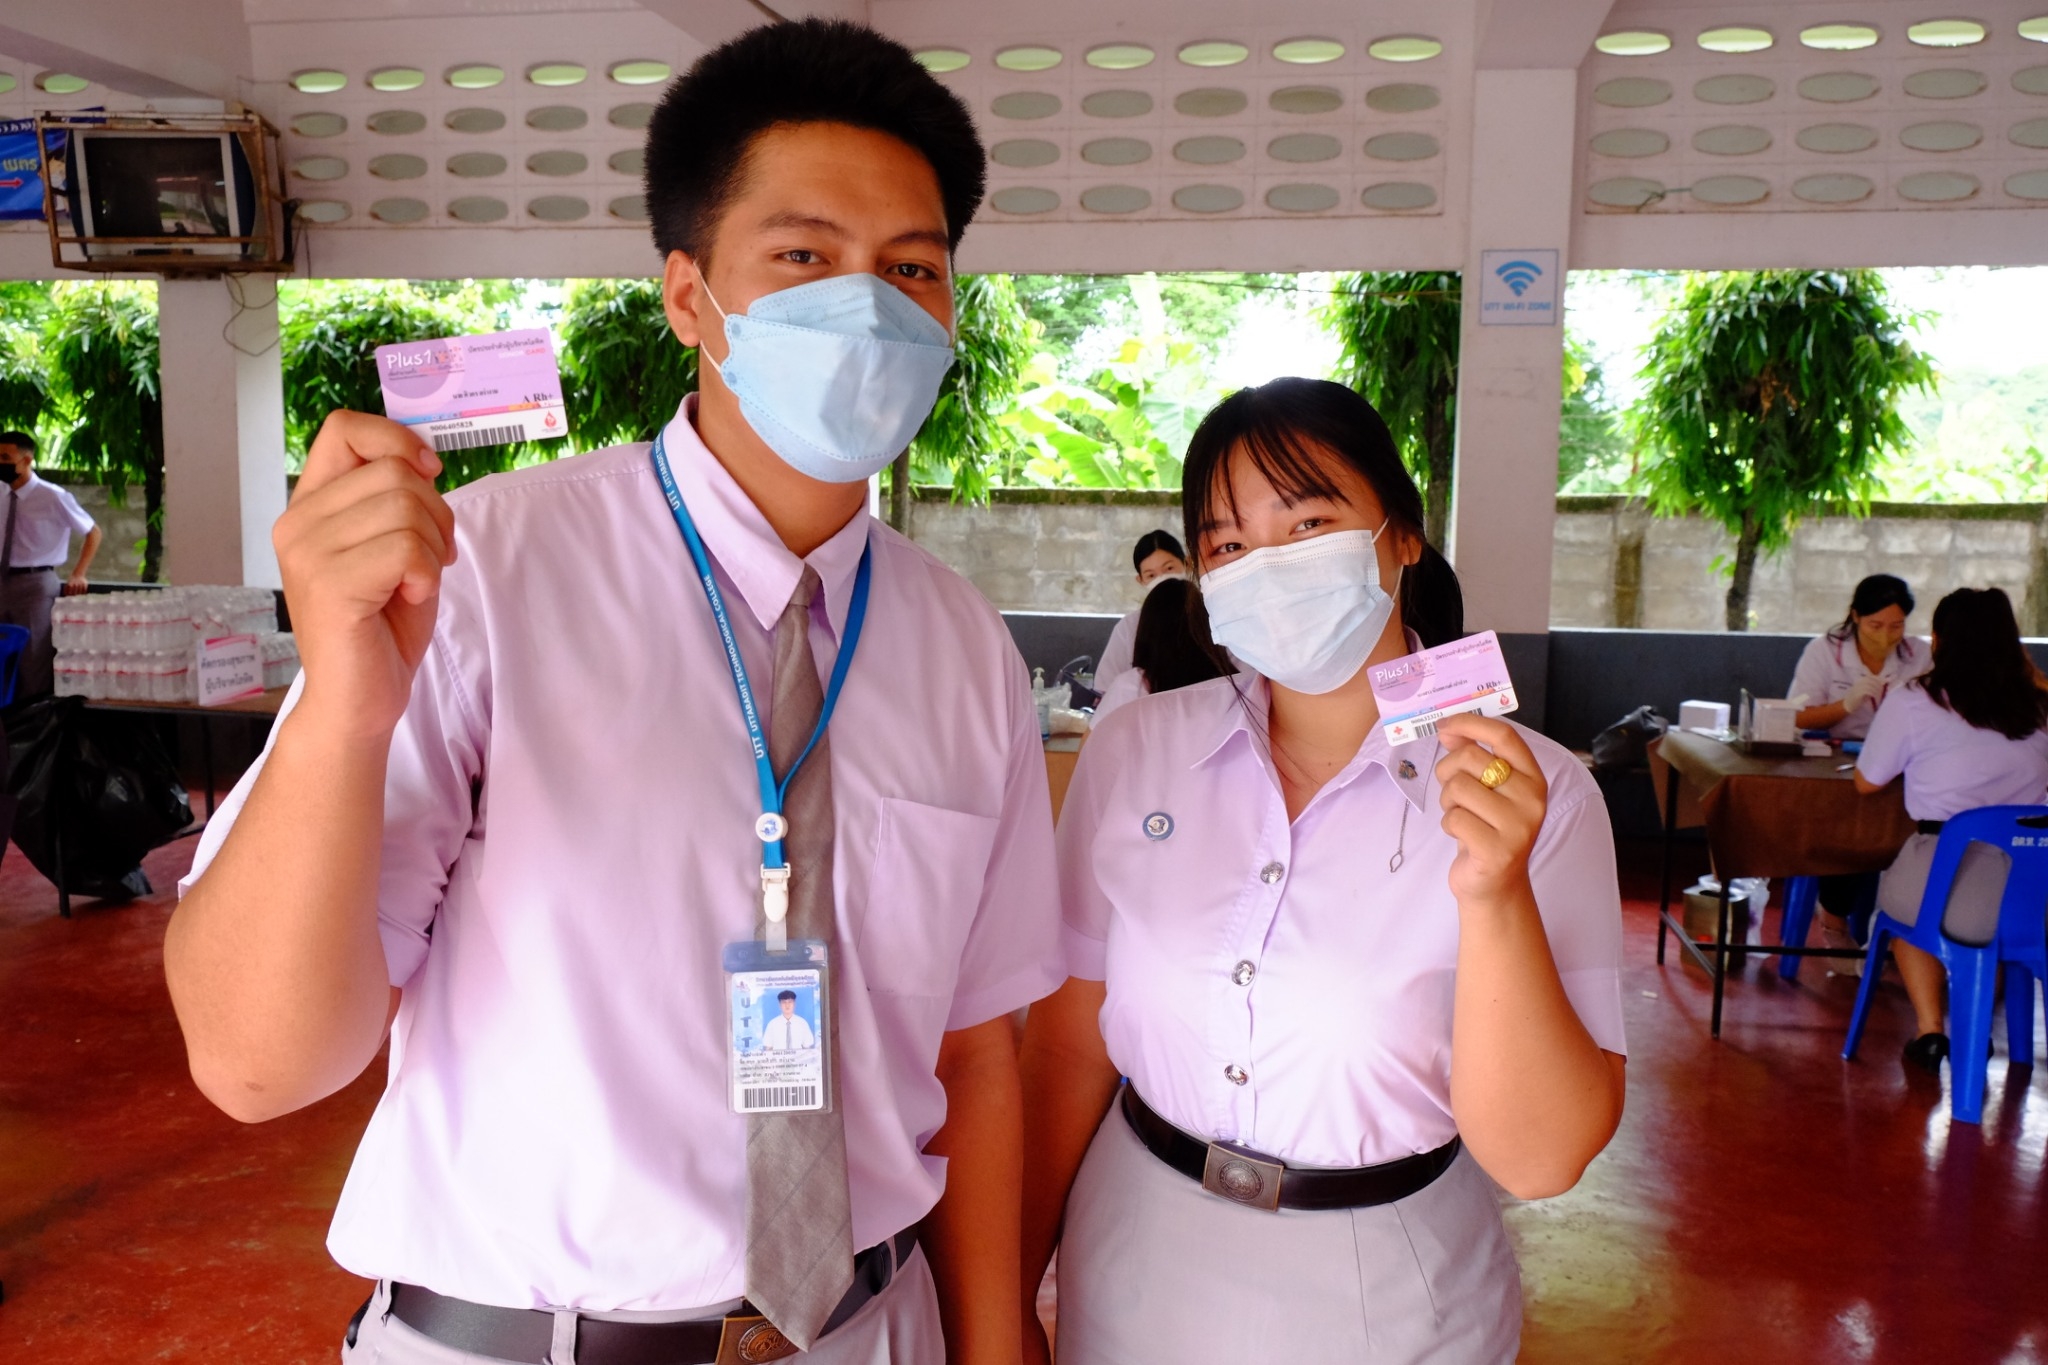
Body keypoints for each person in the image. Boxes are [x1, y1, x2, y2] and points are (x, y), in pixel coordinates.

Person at [164, 21, 1063, 1365]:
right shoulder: (481, 577)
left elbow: (980, 1049)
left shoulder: (961, 650)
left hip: (873, 1332)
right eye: (805, 256)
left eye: (913, 269)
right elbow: (256, 1063)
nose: (868, 304)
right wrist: (349, 703)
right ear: (689, 297)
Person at [1018, 378, 1626, 1365]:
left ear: (1399, 533)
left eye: (1306, 521)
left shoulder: (1534, 795)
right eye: (1225, 544)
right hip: (1131, 1260)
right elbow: (1063, 1045)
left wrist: (1494, 892)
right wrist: (1006, 1288)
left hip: (1390, 1291)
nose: (1267, 565)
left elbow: (1541, 1156)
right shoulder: (1135, 751)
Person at [1852, 587, 2048, 1074]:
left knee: (1906, 916)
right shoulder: (2041, 707)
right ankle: (1975, 1026)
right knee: (1992, 930)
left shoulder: (1915, 700)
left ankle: (1931, 1031)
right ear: (2014, 643)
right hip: (2032, 893)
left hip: (1944, 869)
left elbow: (1866, 781)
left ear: (1937, 641)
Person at [0, 430, 102, 698]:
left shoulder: (53, 496)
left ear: (27, 460)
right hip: (1, 581)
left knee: (34, 659)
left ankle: (35, 729)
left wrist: (79, 574)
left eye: (5, 457)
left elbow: (93, 532)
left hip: (35, 584)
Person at [1791, 574, 1928, 741]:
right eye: (1875, 626)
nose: (1884, 637)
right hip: (1836, 752)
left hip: (1901, 754)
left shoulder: (1922, 655)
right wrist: (1845, 706)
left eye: (1896, 626)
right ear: (1856, 616)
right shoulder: (1823, 651)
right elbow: (1797, 717)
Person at [1090, 577, 1228, 721]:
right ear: (1207, 627)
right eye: (1150, 574)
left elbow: (1091, 741)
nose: (1160, 575)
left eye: (1168, 567)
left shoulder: (1131, 686)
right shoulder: (1230, 688)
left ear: (1145, 630)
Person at [1093, 529, 1188, 688]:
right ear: (1141, 580)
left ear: (1188, 564)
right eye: (1151, 575)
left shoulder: (1213, 616)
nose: (1162, 579)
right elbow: (1105, 688)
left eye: (1169, 569)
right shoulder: (1128, 628)